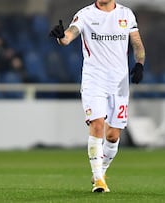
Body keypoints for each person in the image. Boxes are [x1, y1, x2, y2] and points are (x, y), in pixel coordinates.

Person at [50, 0, 145, 192]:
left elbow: (137, 44)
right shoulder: (85, 14)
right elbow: (70, 34)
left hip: (119, 82)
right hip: (94, 79)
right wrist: (61, 37)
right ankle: (99, 179)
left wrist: (140, 64)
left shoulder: (126, 14)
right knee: (97, 124)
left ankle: (101, 171)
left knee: (113, 135)